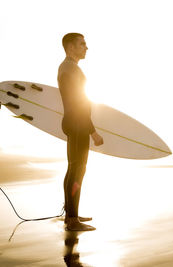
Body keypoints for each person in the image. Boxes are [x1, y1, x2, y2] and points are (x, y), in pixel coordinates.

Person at [58, 32, 104, 231]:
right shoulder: (70, 69)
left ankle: (72, 214)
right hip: (77, 124)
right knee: (77, 170)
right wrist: (93, 131)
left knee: (74, 170)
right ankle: (72, 220)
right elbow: (78, 103)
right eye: (82, 44)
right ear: (70, 47)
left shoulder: (69, 68)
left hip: (75, 123)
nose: (86, 47)